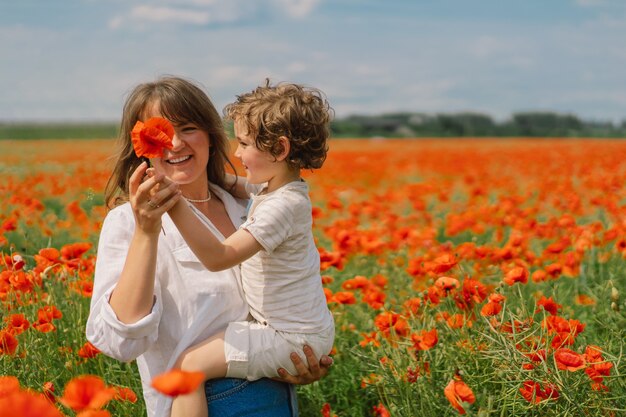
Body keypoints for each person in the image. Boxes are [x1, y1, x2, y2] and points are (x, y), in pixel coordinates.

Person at [85, 76, 332, 417]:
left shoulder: (247, 205)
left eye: (187, 128)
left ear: (211, 136)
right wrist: (147, 230)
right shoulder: (128, 222)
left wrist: (302, 360)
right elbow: (119, 343)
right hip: (200, 402)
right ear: (141, 146)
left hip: (274, 397)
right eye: (157, 134)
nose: (173, 143)